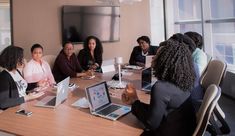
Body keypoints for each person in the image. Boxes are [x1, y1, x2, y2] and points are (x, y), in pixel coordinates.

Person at [122, 39, 196, 136]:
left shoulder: (160, 88)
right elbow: (158, 111)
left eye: (157, 55)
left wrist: (135, 100)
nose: (153, 57)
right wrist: (135, 102)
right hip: (183, 130)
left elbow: (151, 124)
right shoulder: (182, 81)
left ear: (165, 60)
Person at [0, 46, 44, 110]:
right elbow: (3, 103)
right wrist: (27, 97)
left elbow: (22, 87)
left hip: (24, 104)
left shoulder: (16, 71)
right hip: (14, 109)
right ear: (13, 59)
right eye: (21, 58)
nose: (23, 60)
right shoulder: (4, 77)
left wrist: (37, 84)